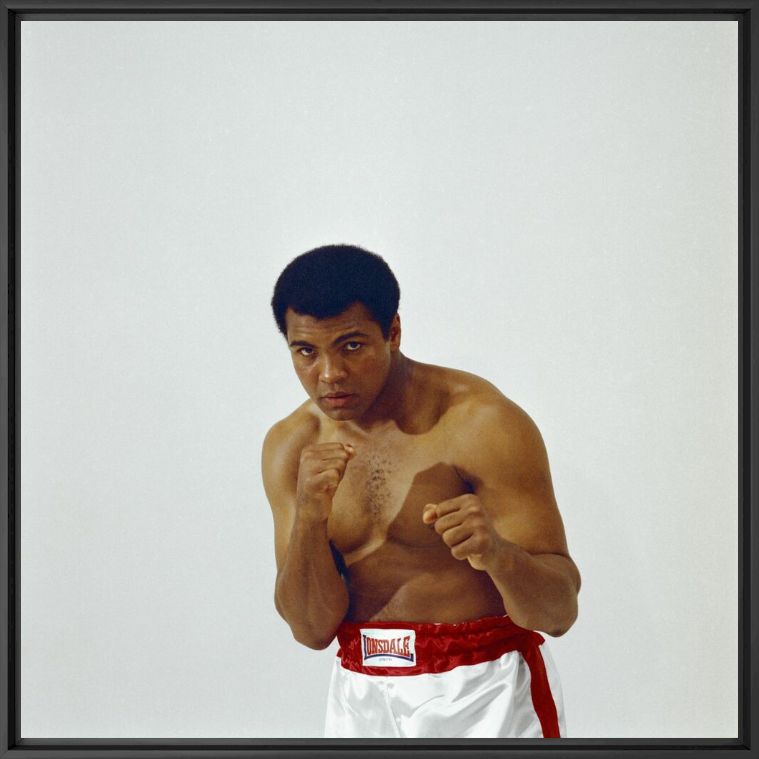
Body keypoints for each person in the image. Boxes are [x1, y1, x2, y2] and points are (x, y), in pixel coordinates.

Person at [262, 244, 581, 739]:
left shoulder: (480, 423)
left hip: (482, 689)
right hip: (359, 691)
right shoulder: (291, 446)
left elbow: (558, 613)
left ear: (393, 332)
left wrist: (497, 554)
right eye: (306, 351)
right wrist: (309, 518)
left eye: (351, 346)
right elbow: (310, 630)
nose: (329, 374)